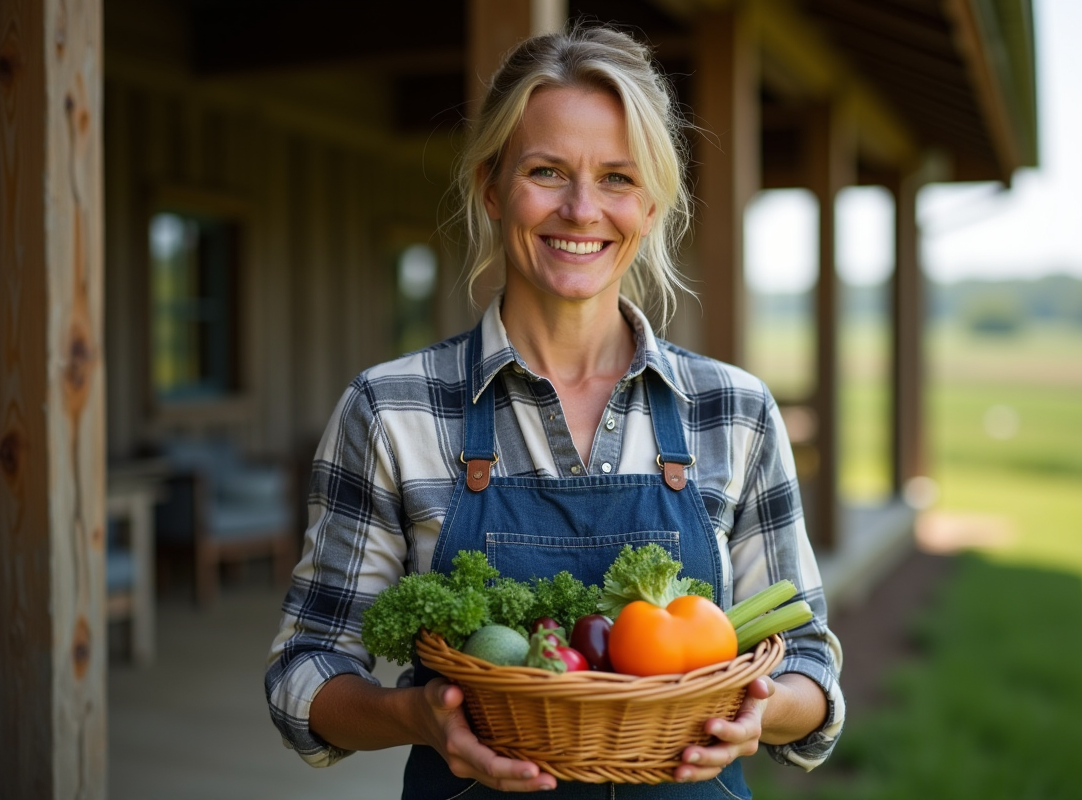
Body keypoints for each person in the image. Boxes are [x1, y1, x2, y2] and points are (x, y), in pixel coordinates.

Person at [265, 24, 844, 799]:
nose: (581, 210)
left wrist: (759, 714)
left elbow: (807, 664)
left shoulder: (731, 411)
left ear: (650, 204)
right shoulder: (391, 408)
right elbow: (305, 672)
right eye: (547, 172)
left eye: (616, 178)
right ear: (492, 188)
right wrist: (417, 716)